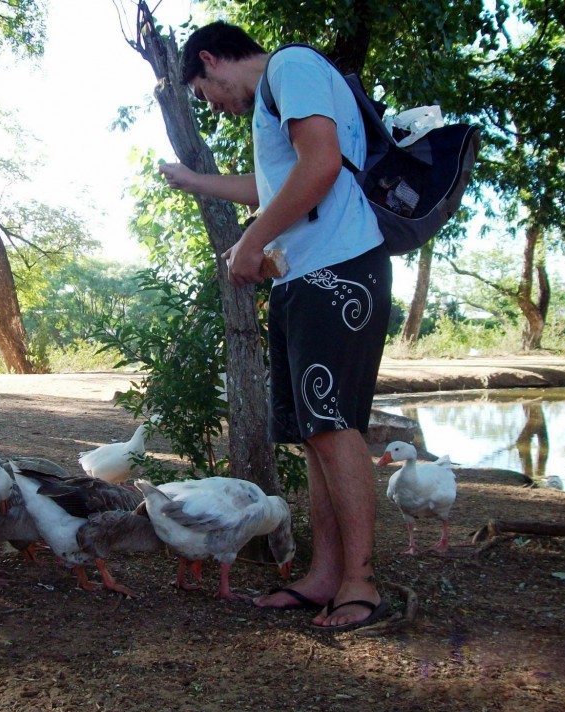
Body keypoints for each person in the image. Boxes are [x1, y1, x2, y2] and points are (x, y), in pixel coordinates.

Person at [158, 21, 392, 631]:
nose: (217, 107)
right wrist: (192, 181)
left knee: (335, 427)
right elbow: (271, 186)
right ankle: (324, 574)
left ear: (211, 59)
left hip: (339, 270)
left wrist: (249, 242)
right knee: (315, 433)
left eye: (207, 93)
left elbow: (321, 166)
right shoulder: (277, 96)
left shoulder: (292, 67)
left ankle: (361, 581)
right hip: (303, 277)